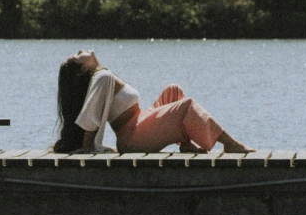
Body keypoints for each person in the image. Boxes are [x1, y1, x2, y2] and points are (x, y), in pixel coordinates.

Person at [54, 49, 255, 154]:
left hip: (140, 123)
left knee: (173, 90)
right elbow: (90, 116)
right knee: (186, 106)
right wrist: (87, 145)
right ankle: (230, 143)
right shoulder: (102, 78)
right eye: (79, 55)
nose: (82, 50)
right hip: (133, 138)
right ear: (82, 69)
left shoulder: (103, 75)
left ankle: (186, 143)